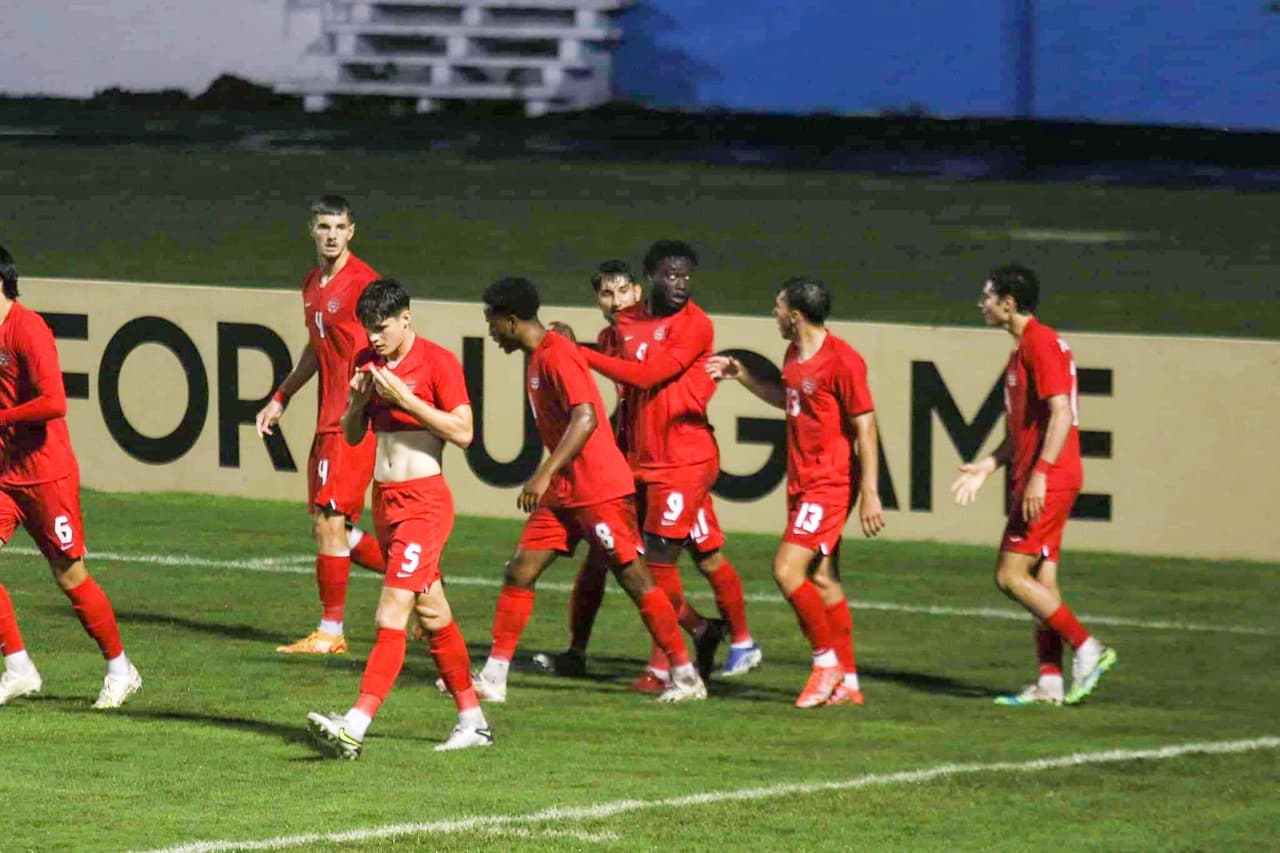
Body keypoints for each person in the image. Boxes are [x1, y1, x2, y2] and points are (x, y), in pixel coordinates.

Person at [474, 276, 706, 704]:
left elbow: (585, 418)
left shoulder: (556, 355)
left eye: (491, 323)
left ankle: (686, 676)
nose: (490, 332)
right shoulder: (540, 355)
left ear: (510, 320)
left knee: (636, 580)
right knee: (520, 571)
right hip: (566, 492)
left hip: (598, 488)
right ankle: (493, 677)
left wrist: (543, 473)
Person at [538, 259, 760, 686]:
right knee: (604, 559)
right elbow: (631, 400)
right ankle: (584, 651)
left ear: (639, 292)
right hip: (642, 464)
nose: (615, 300)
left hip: (680, 463)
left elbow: (647, 377)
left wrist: (575, 351)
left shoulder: (665, 329)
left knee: (696, 557)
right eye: (606, 293)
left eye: (623, 291)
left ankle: (717, 648)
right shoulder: (611, 337)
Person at [306, 278, 491, 758]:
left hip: (424, 504)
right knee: (433, 614)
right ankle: (473, 720)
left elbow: (465, 432)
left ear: (406, 318)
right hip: (385, 504)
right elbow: (350, 437)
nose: (375, 338)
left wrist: (406, 400)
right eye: (369, 329)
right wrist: (358, 402)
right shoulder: (367, 362)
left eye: (383, 328)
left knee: (391, 612)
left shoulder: (439, 363)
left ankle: (355, 725)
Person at [707, 277, 885, 708]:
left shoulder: (843, 361)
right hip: (803, 480)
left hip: (830, 482)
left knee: (787, 570)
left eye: (777, 307)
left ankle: (825, 664)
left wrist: (871, 492)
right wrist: (742, 374)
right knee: (824, 579)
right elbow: (788, 399)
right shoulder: (794, 354)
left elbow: (866, 425)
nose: (774, 314)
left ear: (796, 315)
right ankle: (850, 684)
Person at [950, 265, 1116, 706]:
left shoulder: (1039, 344)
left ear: (1008, 303)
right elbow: (1023, 429)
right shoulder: (1023, 349)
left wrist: (1040, 473)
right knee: (1042, 581)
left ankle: (1087, 647)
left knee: (1009, 575)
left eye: (987, 296)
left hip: (1050, 479)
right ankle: (1050, 682)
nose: (981, 303)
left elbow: (1062, 412)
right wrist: (988, 465)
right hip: (1040, 476)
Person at [0, 244, 142, 709]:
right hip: (4, 474)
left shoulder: (28, 329)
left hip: (46, 476)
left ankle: (120, 668)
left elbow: (54, 402)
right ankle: (19, 667)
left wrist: (3, 417)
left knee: (69, 574)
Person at [256, 195, 386, 656]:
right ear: (311, 230)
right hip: (324, 418)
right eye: (323, 227)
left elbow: (387, 341)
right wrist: (281, 395)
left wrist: (365, 382)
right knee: (329, 525)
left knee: (331, 520)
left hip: (352, 421)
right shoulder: (311, 283)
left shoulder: (363, 283)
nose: (331, 235)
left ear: (353, 231)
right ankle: (414, 576)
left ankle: (330, 632)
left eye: (339, 227)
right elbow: (317, 346)